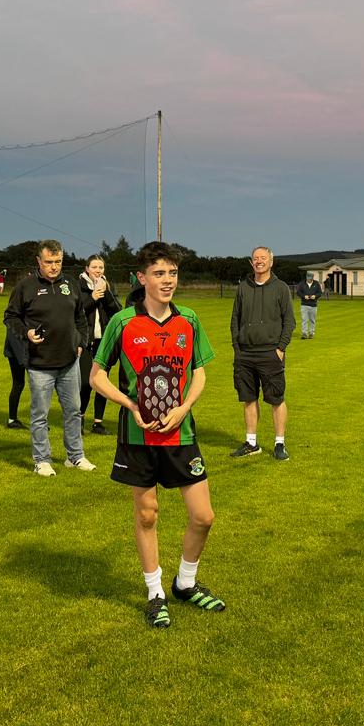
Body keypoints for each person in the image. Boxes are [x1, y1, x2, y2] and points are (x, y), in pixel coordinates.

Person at [88, 241, 222, 629]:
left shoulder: (189, 320)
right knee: (147, 514)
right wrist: (130, 405)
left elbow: (199, 372)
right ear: (142, 278)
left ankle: (186, 583)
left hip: (181, 435)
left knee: (204, 516)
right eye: (159, 273)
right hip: (138, 437)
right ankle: (155, 593)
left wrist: (184, 407)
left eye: (172, 273)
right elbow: (97, 376)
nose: (167, 281)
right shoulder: (122, 322)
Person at [3, 239, 94, 476]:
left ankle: (75, 456)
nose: (54, 267)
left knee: (73, 411)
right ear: (38, 261)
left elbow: (80, 317)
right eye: (49, 262)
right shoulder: (25, 286)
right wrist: (26, 333)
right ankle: (42, 460)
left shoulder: (70, 284)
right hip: (39, 363)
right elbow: (10, 317)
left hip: (69, 362)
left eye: (58, 261)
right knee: (40, 415)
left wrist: (81, 343)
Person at [229, 245, 294, 461]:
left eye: (263, 258)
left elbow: (289, 321)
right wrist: (237, 348)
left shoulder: (281, 288)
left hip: (270, 353)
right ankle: (251, 443)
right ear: (251, 262)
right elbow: (235, 320)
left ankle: (279, 444)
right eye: (255, 258)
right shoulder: (243, 288)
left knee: (276, 399)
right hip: (245, 354)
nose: (259, 261)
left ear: (271, 262)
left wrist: (280, 348)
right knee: (248, 398)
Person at [78, 255, 121, 435]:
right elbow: (75, 312)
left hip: (102, 341)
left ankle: (98, 423)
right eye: (94, 267)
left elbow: (117, 311)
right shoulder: (78, 286)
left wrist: (105, 294)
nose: (98, 270)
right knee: (86, 383)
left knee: (102, 382)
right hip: (85, 342)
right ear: (87, 269)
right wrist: (93, 297)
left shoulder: (107, 286)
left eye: (101, 267)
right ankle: (79, 419)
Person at [297, 272, 323, 339]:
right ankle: (304, 334)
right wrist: (304, 296)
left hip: (313, 305)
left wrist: (315, 296)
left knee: (312, 320)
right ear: (306, 277)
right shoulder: (302, 284)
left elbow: (320, 293)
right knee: (304, 320)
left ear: (312, 278)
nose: (309, 279)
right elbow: (298, 292)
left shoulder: (316, 283)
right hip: (304, 304)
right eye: (308, 278)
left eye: (310, 278)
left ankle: (311, 333)